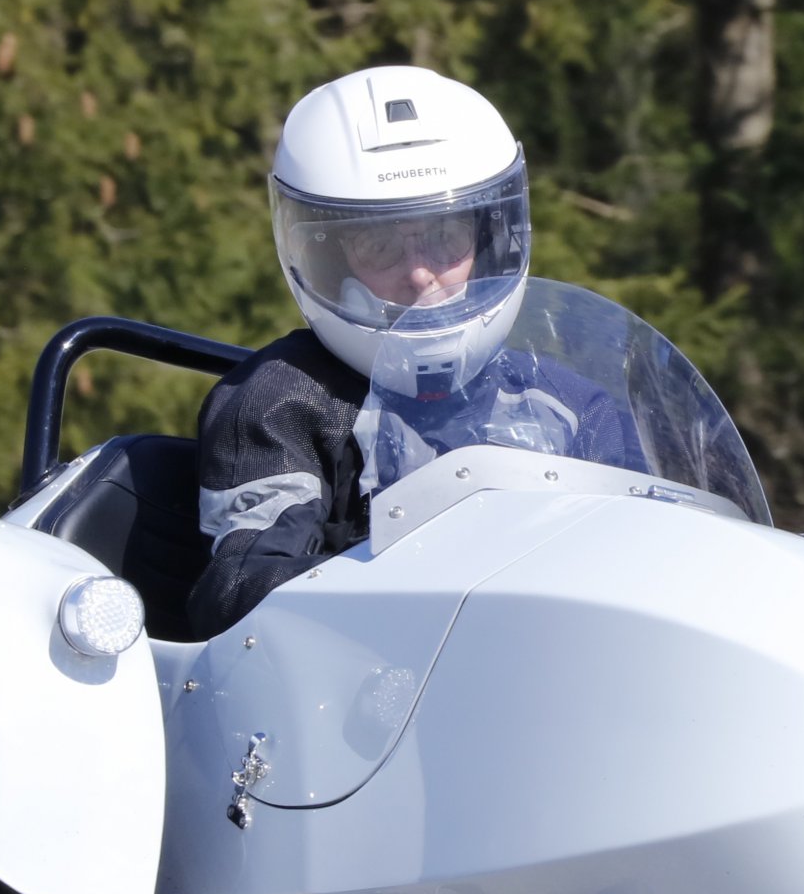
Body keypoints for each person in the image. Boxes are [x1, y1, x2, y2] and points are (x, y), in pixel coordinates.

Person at [189, 65, 642, 636]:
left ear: (489, 237)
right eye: (379, 244)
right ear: (331, 259)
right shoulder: (279, 401)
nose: (421, 273)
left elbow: (649, 563)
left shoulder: (569, 405)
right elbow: (244, 599)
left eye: (444, 234)